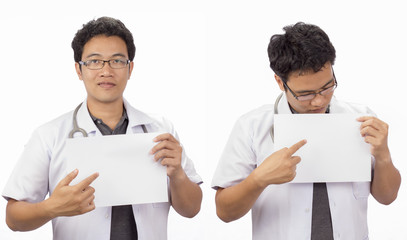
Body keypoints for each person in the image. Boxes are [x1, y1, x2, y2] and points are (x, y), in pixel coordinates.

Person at [3, 16, 202, 240]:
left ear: (130, 68)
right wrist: (51, 207)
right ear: (79, 70)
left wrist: (178, 176)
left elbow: (192, 209)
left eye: (117, 61)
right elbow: (13, 218)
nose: (106, 71)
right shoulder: (49, 136)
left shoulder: (160, 131)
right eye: (95, 61)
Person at [211, 22, 401, 240]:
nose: (318, 100)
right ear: (280, 83)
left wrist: (383, 156)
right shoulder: (252, 127)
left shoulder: (361, 118)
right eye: (306, 94)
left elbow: (387, 198)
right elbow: (224, 212)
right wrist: (259, 179)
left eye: (327, 87)